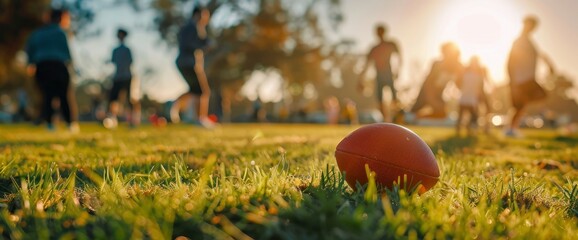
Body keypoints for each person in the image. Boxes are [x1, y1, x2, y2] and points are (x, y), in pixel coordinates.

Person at [25, 8, 79, 133]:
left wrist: (31, 64)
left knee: (47, 95)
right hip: (58, 66)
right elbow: (67, 53)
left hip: (42, 66)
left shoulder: (38, 33)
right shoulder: (61, 32)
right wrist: (72, 66)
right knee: (64, 95)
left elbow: (29, 50)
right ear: (61, 19)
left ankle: (50, 124)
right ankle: (71, 124)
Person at [505, 16, 555, 137]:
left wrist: (549, 64)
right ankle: (511, 129)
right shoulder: (519, 41)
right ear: (525, 24)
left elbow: (540, 55)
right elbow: (510, 61)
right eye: (530, 25)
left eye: (533, 26)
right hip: (520, 79)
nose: (532, 28)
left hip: (529, 78)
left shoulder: (530, 42)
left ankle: (511, 129)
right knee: (533, 99)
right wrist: (512, 81)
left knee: (522, 105)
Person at [171, 6, 214, 128]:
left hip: (186, 63)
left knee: (195, 90)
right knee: (202, 91)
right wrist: (203, 46)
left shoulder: (196, 28)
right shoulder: (191, 27)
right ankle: (200, 119)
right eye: (204, 15)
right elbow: (188, 45)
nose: (206, 19)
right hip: (187, 63)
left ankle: (176, 103)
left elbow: (201, 41)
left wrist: (205, 43)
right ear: (197, 15)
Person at [358, 24, 402, 122]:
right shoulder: (374, 48)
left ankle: (397, 118)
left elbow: (399, 57)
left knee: (394, 96)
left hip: (388, 73)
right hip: (379, 75)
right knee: (380, 99)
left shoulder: (391, 44)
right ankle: (386, 120)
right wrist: (361, 79)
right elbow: (366, 64)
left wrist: (398, 70)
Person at [410, 42, 463, 120]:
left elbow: (459, 85)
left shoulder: (457, 68)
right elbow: (428, 83)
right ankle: (403, 116)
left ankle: (419, 117)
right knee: (414, 110)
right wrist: (431, 99)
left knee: (442, 114)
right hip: (426, 92)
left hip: (439, 94)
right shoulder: (437, 64)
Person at [104, 28, 140, 128]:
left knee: (130, 99)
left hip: (127, 77)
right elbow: (113, 61)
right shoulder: (115, 50)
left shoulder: (127, 50)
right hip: (117, 77)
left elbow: (130, 62)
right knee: (113, 99)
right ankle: (112, 119)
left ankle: (133, 120)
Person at [455, 56, 488, 136]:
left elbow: (480, 88)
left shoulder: (477, 75)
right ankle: (460, 130)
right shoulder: (466, 74)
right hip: (465, 98)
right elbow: (458, 82)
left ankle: (468, 131)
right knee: (462, 117)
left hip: (471, 99)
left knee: (472, 117)